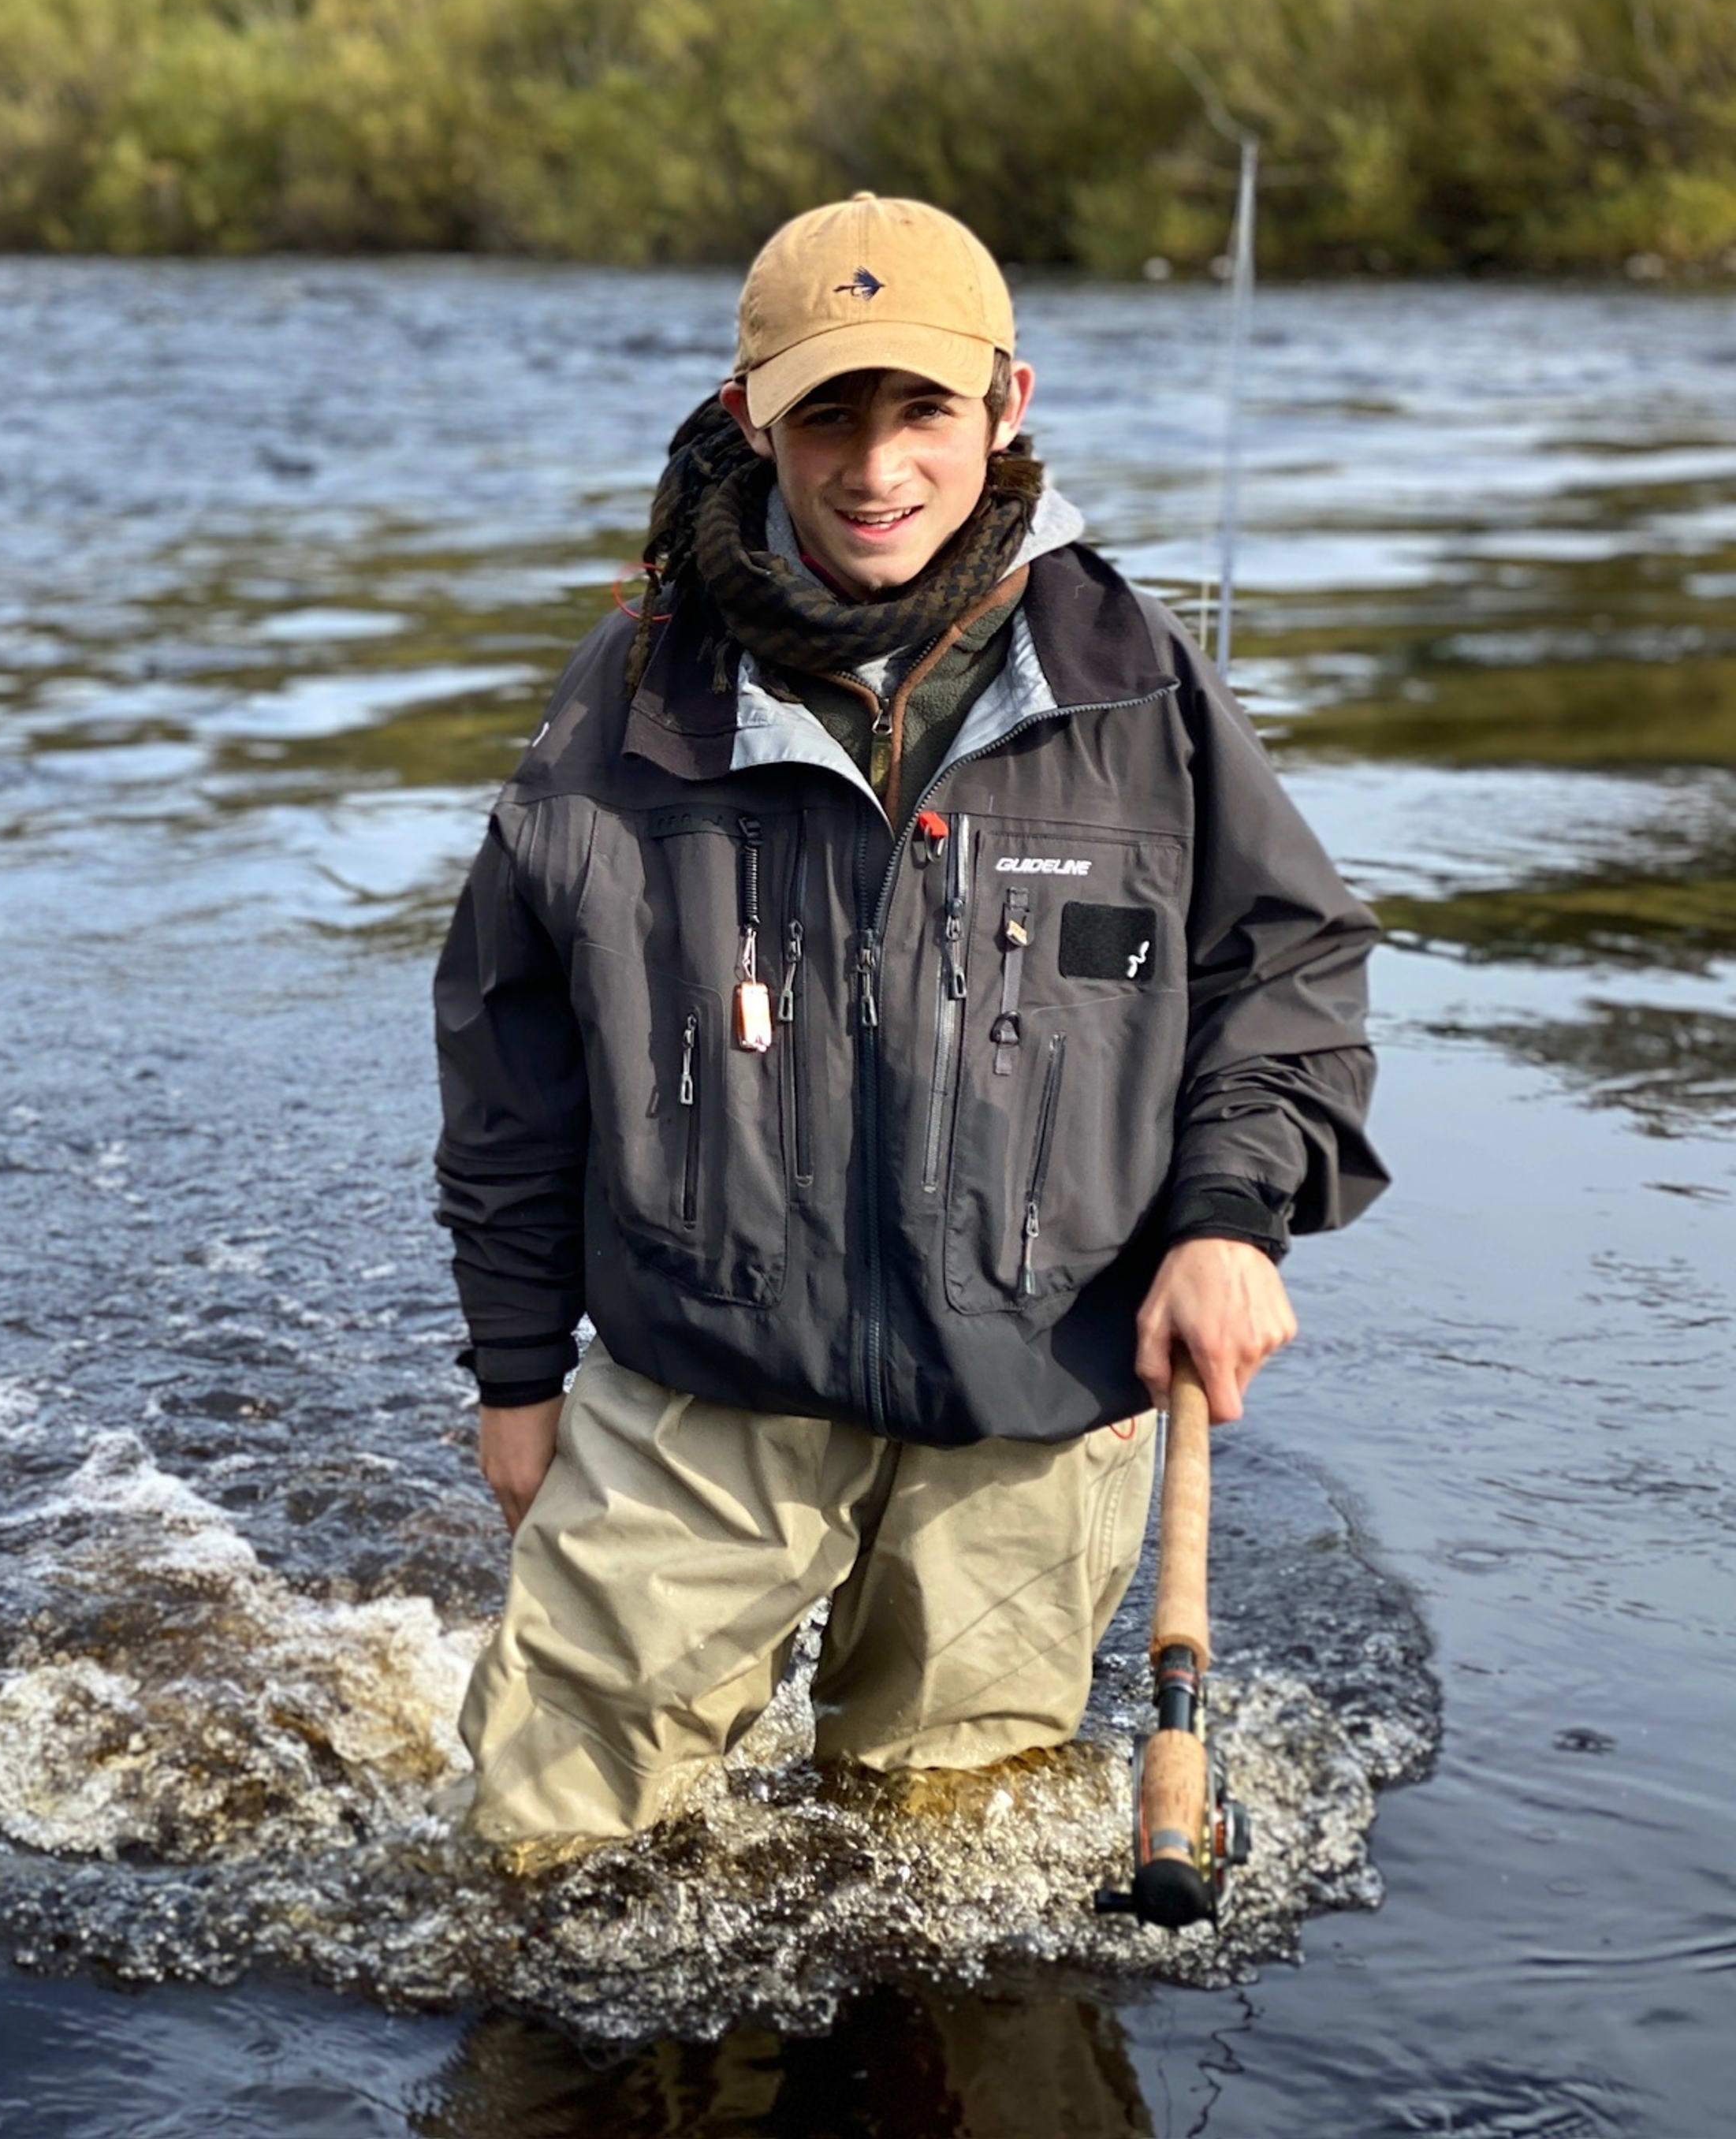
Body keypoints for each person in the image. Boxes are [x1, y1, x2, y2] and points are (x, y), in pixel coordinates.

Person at [433, 192, 1386, 1846]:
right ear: (755, 422)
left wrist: (1233, 1218)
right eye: (830, 415)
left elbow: (1285, 974)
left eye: (923, 409)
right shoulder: (632, 698)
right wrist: (521, 1378)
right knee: (540, 1866)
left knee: (942, 1902)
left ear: (1008, 407)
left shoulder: (1141, 688)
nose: (878, 469)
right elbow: (511, 1060)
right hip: (695, 1390)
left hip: (1033, 1408)